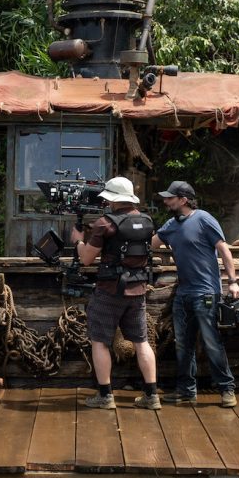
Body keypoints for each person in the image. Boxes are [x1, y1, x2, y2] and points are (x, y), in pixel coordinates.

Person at [69, 176, 160, 410]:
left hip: (110, 291)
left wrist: (79, 241)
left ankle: (105, 396)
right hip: (138, 289)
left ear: (112, 200)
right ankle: (151, 395)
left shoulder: (104, 223)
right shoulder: (147, 221)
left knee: (99, 341)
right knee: (141, 341)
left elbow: (87, 259)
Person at [152, 181, 239, 408]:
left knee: (211, 342)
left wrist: (233, 282)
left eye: (170, 198)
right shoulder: (171, 224)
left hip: (206, 292)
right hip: (183, 294)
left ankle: (227, 389)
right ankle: (186, 391)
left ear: (183, 200)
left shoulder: (204, 219)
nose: (165, 201)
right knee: (183, 344)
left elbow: (223, 249)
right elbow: (151, 244)